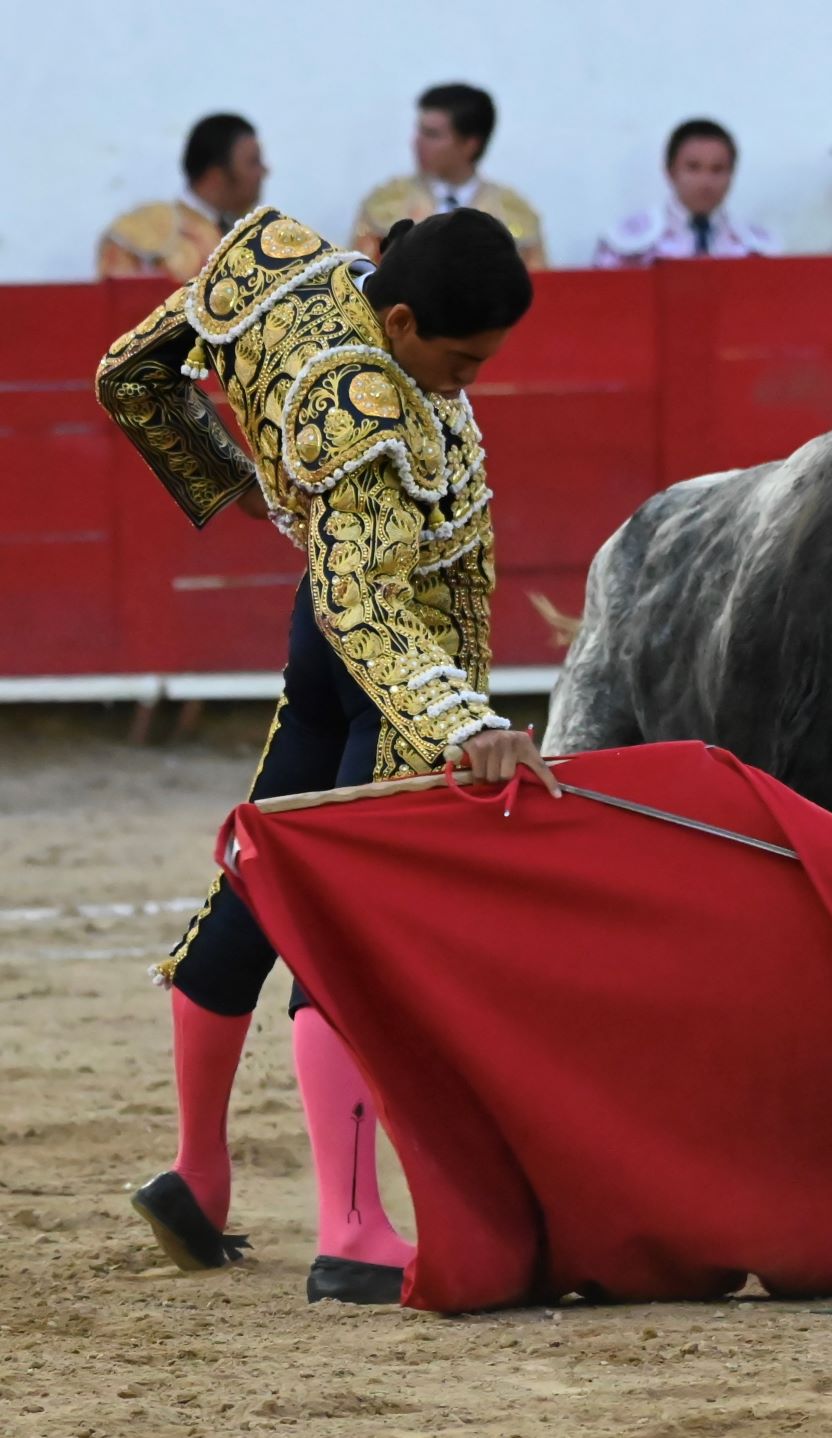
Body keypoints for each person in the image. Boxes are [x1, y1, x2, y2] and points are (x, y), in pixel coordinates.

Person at [95, 204, 558, 1304]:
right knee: (346, 934)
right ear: (399, 323)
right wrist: (463, 722)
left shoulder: (284, 264)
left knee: (258, 884)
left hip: (326, 639)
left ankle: (197, 1179)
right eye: (460, 361)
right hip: (387, 660)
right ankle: (352, 1231)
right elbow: (368, 607)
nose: (467, 383)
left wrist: (234, 482)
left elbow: (129, 376)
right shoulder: (365, 417)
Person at [352, 83, 546, 268]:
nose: (417, 142)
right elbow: (356, 282)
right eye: (420, 130)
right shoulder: (386, 204)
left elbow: (540, 285)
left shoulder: (514, 214)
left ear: (470, 145)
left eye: (432, 134)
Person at [97, 114, 268, 282]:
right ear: (215, 176)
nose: (264, 171)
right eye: (253, 162)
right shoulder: (148, 227)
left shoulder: (247, 233)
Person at [593, 118, 778, 267]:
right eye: (693, 168)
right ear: (670, 171)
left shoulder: (758, 248)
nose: (706, 182)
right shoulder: (626, 244)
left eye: (718, 169)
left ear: (731, 174)